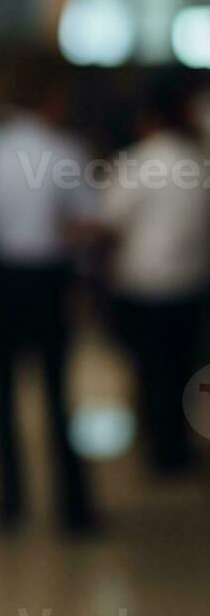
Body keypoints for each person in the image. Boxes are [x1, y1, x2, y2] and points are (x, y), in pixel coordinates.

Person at [0, 61, 98, 531]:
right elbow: (86, 221)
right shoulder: (64, 150)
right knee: (56, 392)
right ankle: (72, 507)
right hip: (47, 278)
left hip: (1, 276)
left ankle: (8, 503)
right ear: (49, 98)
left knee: (4, 393)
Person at [101, 74, 209, 475]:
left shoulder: (138, 162)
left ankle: (159, 447)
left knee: (151, 371)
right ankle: (177, 445)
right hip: (191, 281)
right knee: (183, 369)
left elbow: (109, 221)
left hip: (143, 283)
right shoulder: (197, 160)